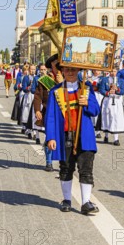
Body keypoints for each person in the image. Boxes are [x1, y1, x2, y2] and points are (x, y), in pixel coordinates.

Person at [45, 65, 101, 215]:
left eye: (73, 70)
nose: (70, 72)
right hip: (64, 135)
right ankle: (67, 200)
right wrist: (50, 137)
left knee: (86, 169)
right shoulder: (55, 91)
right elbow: (50, 117)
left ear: (78, 71)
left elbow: (96, 110)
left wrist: (87, 103)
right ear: (62, 71)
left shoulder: (86, 89)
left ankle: (85, 202)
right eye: (67, 70)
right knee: (66, 168)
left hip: (85, 136)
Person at [99, 68, 124, 145]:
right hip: (108, 101)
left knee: (116, 119)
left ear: (117, 72)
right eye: (111, 71)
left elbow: (123, 91)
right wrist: (108, 92)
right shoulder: (105, 80)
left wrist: (117, 89)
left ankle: (116, 139)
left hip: (117, 101)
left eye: (114, 71)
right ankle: (106, 135)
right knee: (107, 118)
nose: (113, 73)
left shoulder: (120, 80)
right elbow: (101, 89)